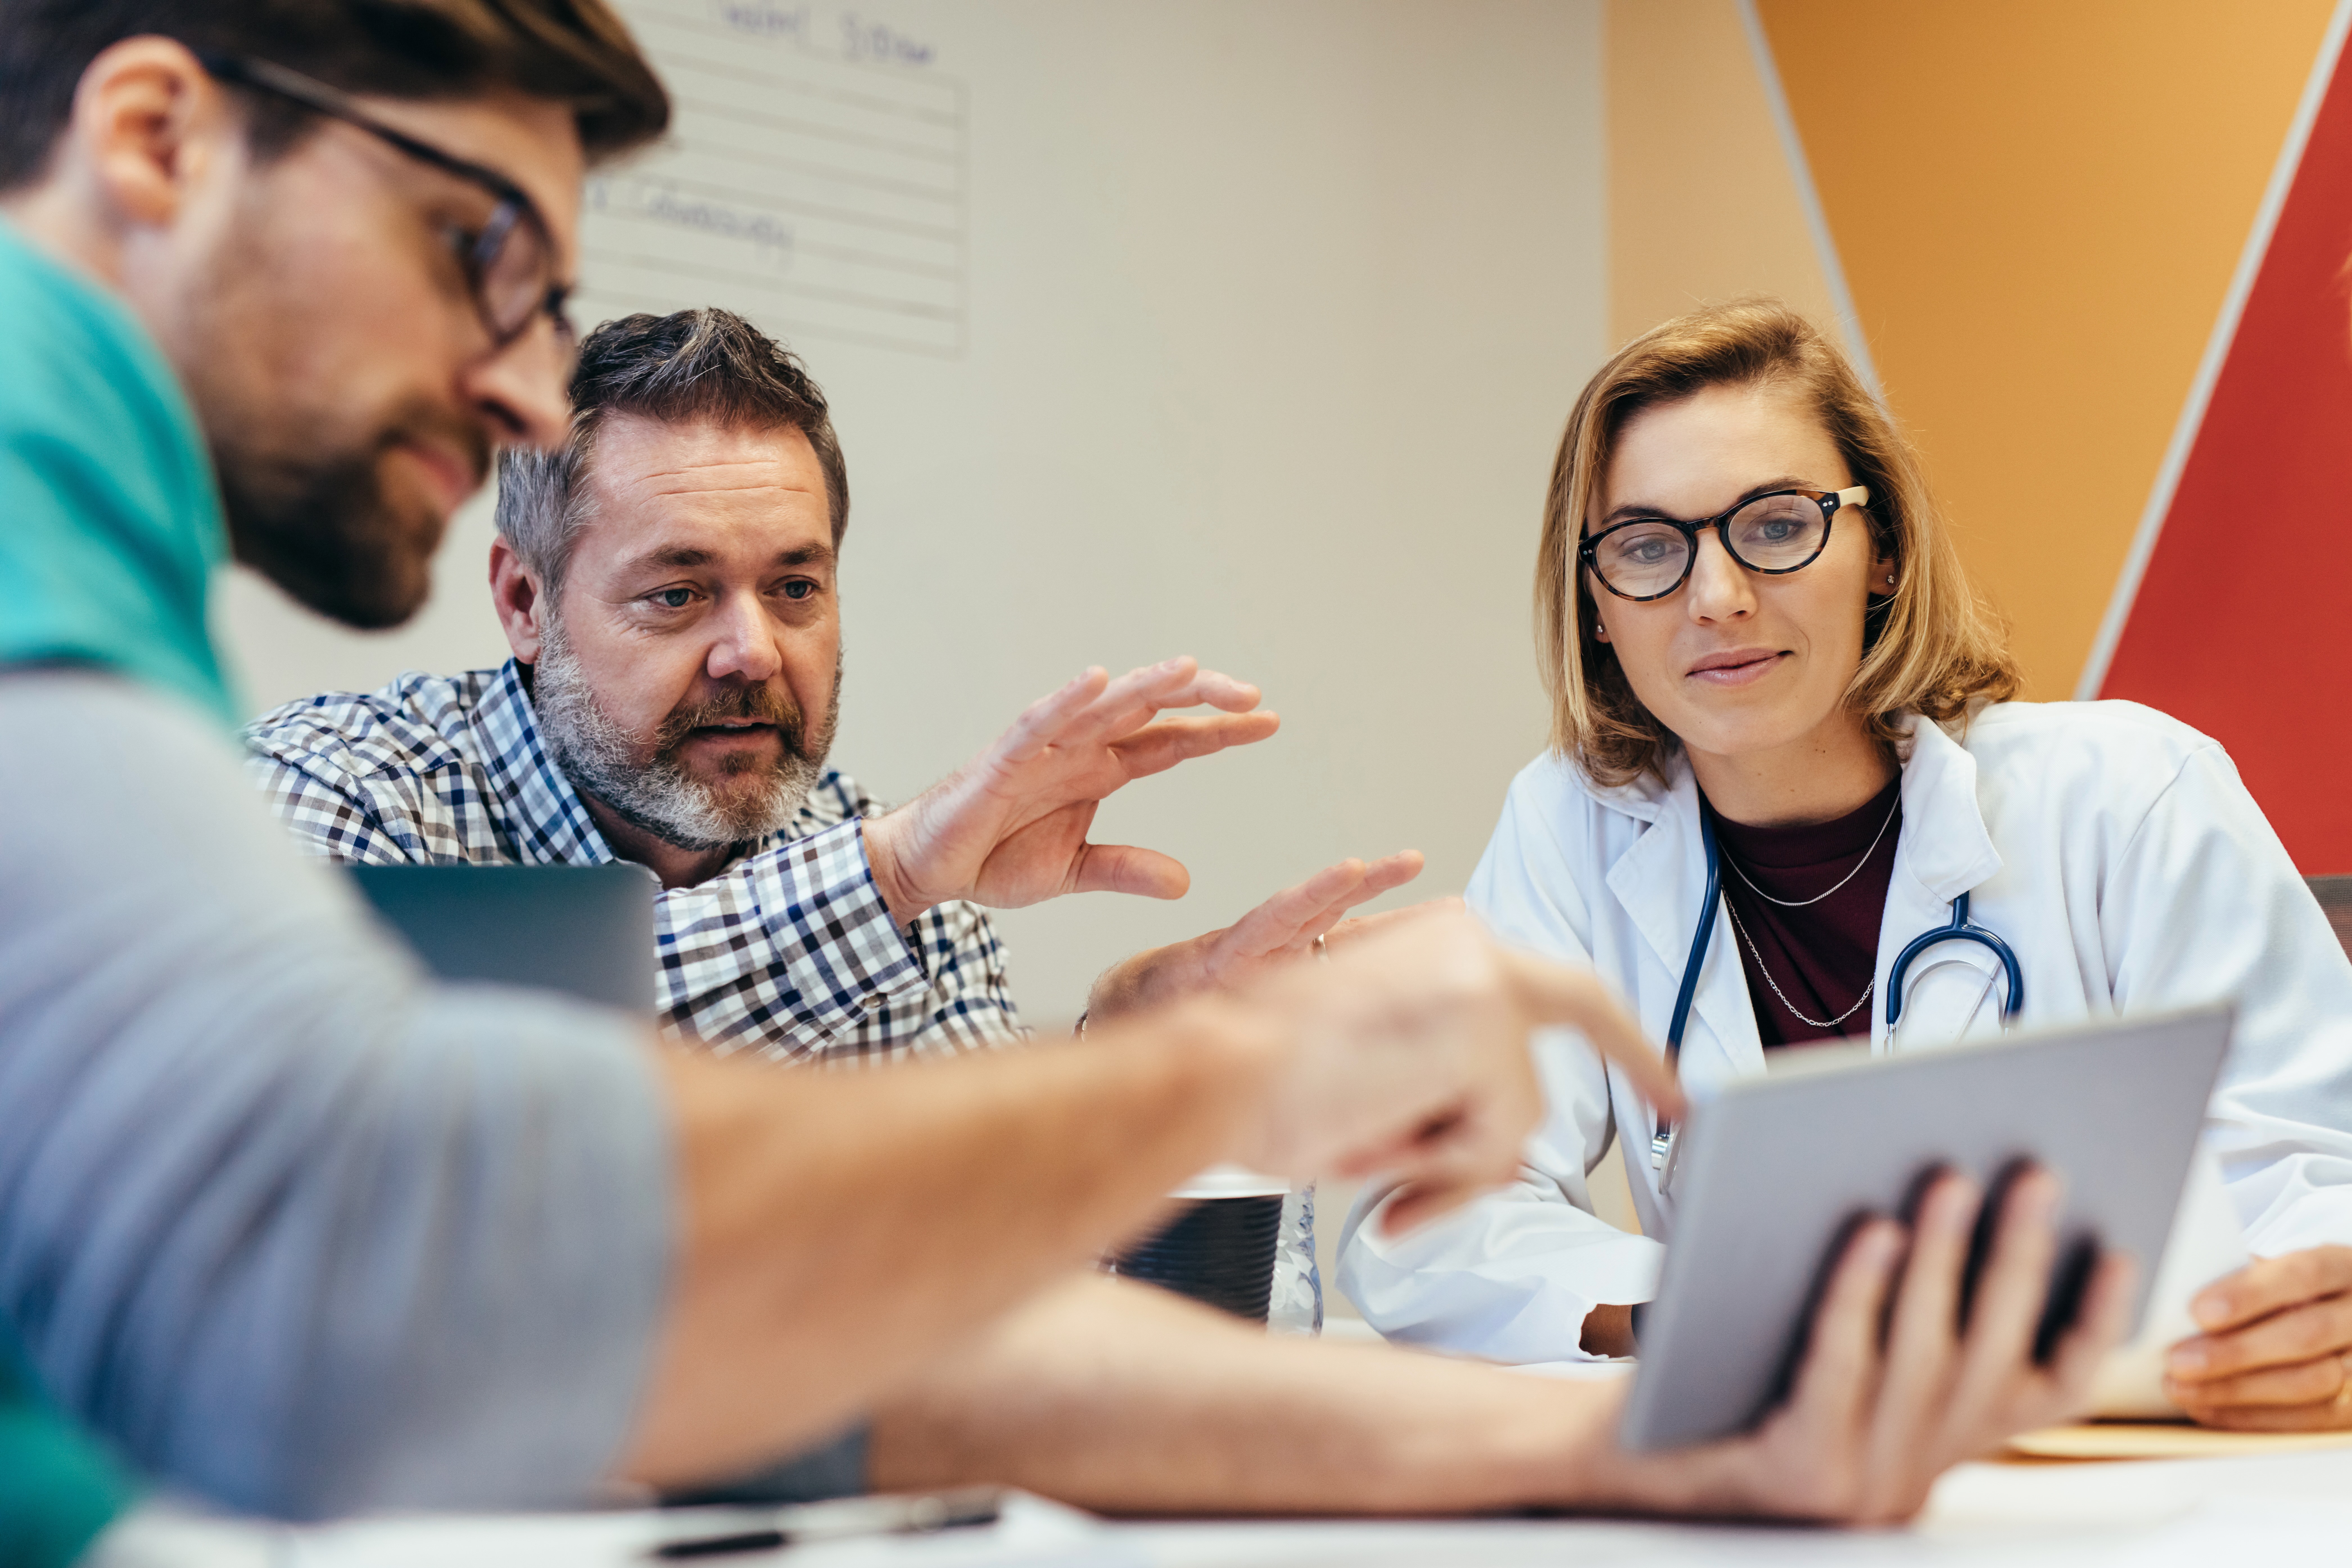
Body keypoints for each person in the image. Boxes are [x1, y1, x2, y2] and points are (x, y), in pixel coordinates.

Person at [0, 4, 2125, 1536]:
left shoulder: (114, 572)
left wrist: (1624, 1448)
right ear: (159, 138)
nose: (513, 370)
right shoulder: (71, 526)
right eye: (480, 249)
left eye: (798, 582)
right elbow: (390, 1236)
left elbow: (836, 1322)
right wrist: (1195, 1087)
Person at [1337, 299, 2352, 1432]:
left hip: (2129, 1468)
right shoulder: (1573, 826)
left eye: (1774, 526)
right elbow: (1428, 1219)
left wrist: (2301, 1314)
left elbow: (2317, 1177)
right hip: (1782, 1487)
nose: (1715, 596)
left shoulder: (2130, 794)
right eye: (1645, 548)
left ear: (1881, 555)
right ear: (1600, 609)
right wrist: (1713, 1314)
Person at [243, 305, 1423, 1063]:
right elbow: (381, 1127)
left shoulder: (874, 856)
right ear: (523, 603)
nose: (753, 652)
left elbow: (975, 1229)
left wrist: (1142, 1037)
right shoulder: (341, 794)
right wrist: (890, 876)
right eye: (677, 593)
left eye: (795, 589)